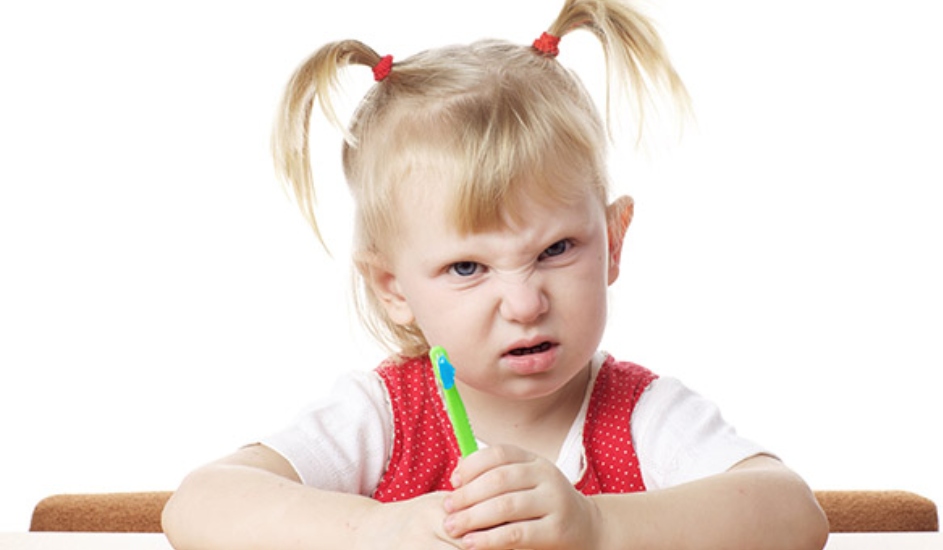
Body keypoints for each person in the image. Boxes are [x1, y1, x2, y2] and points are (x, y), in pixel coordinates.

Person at [162, 0, 829, 548]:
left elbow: (795, 515)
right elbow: (197, 505)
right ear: (393, 288)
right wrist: (375, 529)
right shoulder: (381, 419)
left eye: (558, 249)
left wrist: (600, 527)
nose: (525, 301)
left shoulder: (642, 418)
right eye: (467, 267)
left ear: (615, 241)